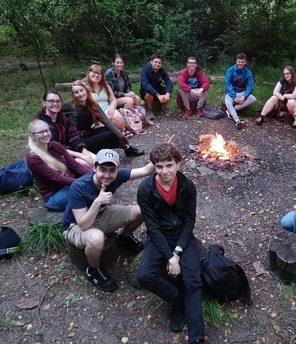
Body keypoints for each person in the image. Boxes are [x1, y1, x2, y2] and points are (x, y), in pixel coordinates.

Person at [137, 143, 204, 343]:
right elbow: (152, 227)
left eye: (169, 165)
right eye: (159, 167)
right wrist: (170, 257)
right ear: (154, 167)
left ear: (178, 164)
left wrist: (177, 252)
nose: (164, 171)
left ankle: (197, 337)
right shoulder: (145, 189)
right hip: (159, 236)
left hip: (182, 236)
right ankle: (178, 300)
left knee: (193, 281)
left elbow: (190, 220)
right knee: (145, 275)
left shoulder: (187, 186)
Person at [62, 149, 155, 292]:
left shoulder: (117, 175)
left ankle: (124, 239)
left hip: (101, 215)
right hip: (76, 226)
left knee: (141, 211)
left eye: (111, 170)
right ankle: (93, 269)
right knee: (96, 238)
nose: (107, 175)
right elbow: (83, 224)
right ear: (94, 168)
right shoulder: (79, 187)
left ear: (117, 168)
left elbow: (146, 170)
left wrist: (161, 155)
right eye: (102, 169)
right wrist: (97, 202)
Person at [61, 82, 144, 157]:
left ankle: (128, 148)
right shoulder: (68, 106)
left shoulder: (92, 104)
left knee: (109, 130)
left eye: (81, 90)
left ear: (86, 90)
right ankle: (125, 149)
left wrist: (120, 135)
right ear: (73, 95)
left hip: (88, 134)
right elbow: (53, 108)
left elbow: (106, 120)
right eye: (76, 92)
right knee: (109, 135)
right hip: (77, 141)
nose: (80, 94)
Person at [26, 119, 92, 211]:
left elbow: (75, 165)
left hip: (70, 185)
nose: (45, 134)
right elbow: (57, 178)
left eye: (46, 130)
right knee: (87, 189)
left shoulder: (55, 145)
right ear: (32, 136)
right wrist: (83, 183)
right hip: (55, 196)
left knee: (94, 181)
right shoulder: (33, 158)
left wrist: (94, 176)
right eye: (40, 132)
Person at [35, 90, 95, 169]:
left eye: (58, 101)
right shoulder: (39, 123)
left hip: (71, 151)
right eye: (51, 101)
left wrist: (86, 154)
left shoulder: (63, 119)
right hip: (53, 156)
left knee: (98, 160)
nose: (55, 104)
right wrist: (81, 156)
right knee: (87, 164)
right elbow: (53, 147)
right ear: (44, 103)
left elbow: (75, 137)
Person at [81, 64, 127, 136]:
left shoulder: (105, 85)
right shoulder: (82, 86)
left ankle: (121, 131)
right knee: (103, 127)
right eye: (94, 72)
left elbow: (113, 99)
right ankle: (116, 133)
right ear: (88, 73)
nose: (96, 75)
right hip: (93, 111)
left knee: (117, 118)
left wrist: (111, 110)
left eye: (99, 74)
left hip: (106, 108)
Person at [223, 53, 257, 130]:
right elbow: (228, 84)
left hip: (242, 92)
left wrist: (243, 97)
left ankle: (232, 110)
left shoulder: (248, 73)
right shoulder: (230, 70)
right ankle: (237, 121)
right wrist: (234, 97)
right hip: (231, 93)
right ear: (236, 61)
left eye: (242, 62)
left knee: (253, 99)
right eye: (239, 61)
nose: (240, 63)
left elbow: (250, 86)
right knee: (228, 102)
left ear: (245, 62)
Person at [140, 54, 173, 118]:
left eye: (159, 63)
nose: (157, 64)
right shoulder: (144, 70)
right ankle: (149, 110)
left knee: (168, 92)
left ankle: (163, 107)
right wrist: (158, 95)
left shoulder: (162, 71)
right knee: (149, 94)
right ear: (151, 62)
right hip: (146, 90)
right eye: (155, 62)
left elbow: (168, 82)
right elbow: (145, 85)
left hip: (157, 88)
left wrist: (168, 93)